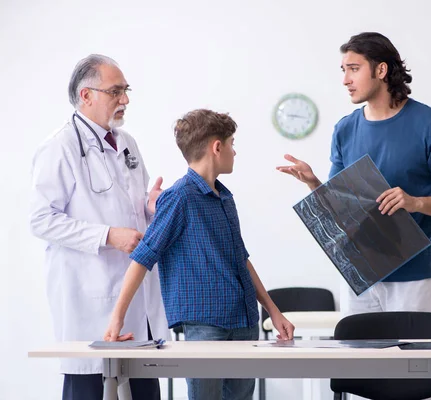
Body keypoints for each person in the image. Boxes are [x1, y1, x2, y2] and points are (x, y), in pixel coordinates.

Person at [277, 32, 431, 316]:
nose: (346, 79)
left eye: (354, 69)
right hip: (358, 275)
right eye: (344, 71)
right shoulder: (344, 129)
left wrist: (416, 202)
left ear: (381, 70)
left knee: (413, 360)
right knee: (359, 360)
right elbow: (341, 207)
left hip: (413, 277)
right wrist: (314, 183)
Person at [104, 109, 295, 400]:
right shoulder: (178, 197)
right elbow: (143, 257)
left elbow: (241, 259)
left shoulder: (225, 198)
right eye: (232, 143)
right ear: (216, 147)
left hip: (244, 321)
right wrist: (117, 318)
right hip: (206, 325)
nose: (234, 151)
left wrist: (273, 310)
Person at [30, 54, 169, 400]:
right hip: (91, 298)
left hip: (135, 296)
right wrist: (108, 236)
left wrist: (150, 206)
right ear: (86, 96)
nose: (125, 99)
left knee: (144, 388)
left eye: (126, 91)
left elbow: (132, 207)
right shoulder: (59, 147)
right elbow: (41, 219)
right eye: (115, 91)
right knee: (88, 389)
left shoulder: (127, 143)